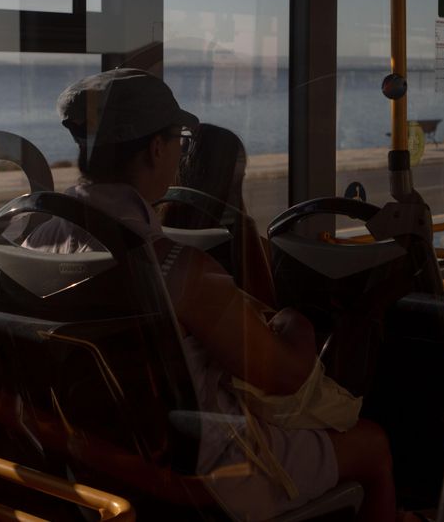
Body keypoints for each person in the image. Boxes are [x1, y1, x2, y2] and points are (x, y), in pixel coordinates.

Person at [24, 69, 398, 521]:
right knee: (374, 445)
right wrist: (294, 324)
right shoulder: (176, 269)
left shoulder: (35, 241)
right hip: (199, 473)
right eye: (178, 139)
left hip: (91, 459)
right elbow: (285, 377)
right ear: (156, 148)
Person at [159, 123, 279, 308]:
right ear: (231, 181)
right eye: (238, 180)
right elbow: (266, 308)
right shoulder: (240, 234)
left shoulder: (160, 226)